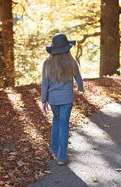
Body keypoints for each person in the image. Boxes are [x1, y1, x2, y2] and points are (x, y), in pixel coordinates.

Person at [41, 33, 84, 165]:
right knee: (64, 124)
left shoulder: (47, 63)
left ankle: (54, 148)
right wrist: (80, 89)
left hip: (53, 99)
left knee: (56, 120)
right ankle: (62, 156)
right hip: (66, 99)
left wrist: (43, 100)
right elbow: (78, 78)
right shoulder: (72, 62)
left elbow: (45, 83)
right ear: (67, 48)